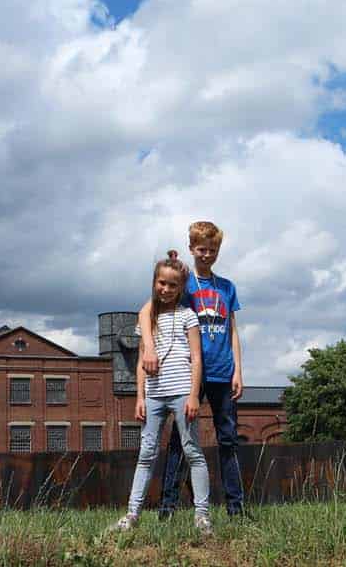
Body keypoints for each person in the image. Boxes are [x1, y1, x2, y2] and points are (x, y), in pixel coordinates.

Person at [138, 220, 246, 518]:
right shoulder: (184, 286)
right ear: (192, 249)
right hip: (191, 373)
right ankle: (168, 507)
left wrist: (238, 370)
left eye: (212, 250)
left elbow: (233, 330)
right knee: (180, 439)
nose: (207, 255)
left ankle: (236, 508)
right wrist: (148, 346)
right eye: (201, 249)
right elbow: (147, 311)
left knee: (228, 438)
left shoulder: (227, 287)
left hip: (223, 372)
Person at [113, 254, 212, 535]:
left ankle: (202, 516)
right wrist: (140, 397)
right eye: (161, 283)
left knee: (193, 451)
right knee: (146, 454)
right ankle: (131, 515)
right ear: (154, 282)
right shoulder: (148, 318)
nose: (165, 289)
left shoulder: (187, 315)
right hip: (154, 394)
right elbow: (143, 358)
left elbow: (196, 358)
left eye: (172, 285)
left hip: (182, 390)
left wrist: (194, 395)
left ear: (181, 289)